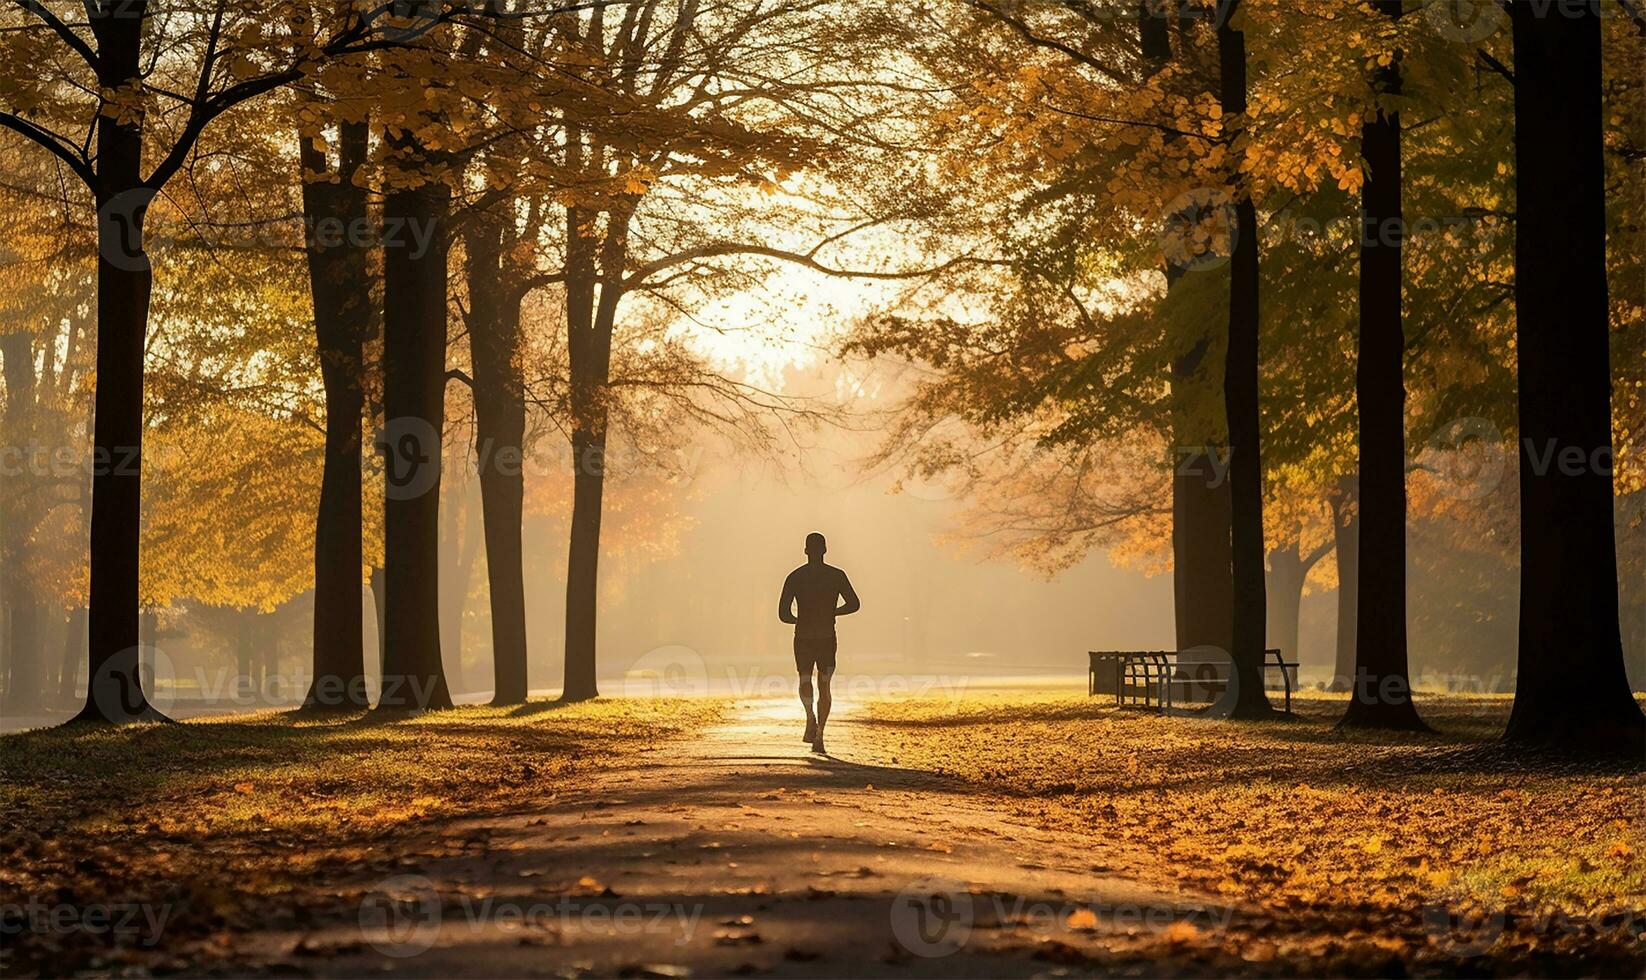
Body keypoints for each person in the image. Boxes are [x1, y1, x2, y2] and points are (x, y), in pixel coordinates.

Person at [777, 532, 860, 754]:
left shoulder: (795, 577)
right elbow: (854, 604)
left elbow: (783, 614)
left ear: (805, 551)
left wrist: (801, 618)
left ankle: (810, 717)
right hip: (826, 637)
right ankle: (821, 733)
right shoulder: (836, 576)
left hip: (803, 637)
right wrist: (832, 612)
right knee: (824, 685)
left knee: (805, 679)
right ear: (825, 549)